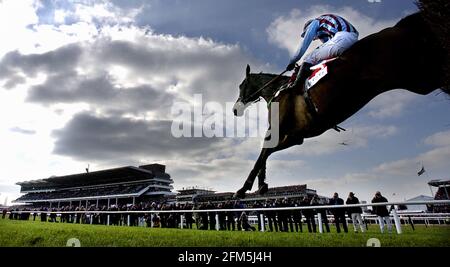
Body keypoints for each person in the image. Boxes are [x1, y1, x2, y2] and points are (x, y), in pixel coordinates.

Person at [286, 14, 359, 94]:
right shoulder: (326, 29)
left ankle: (296, 88)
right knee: (317, 59)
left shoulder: (315, 23)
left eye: (306, 33)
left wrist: (292, 61)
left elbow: (304, 45)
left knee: (308, 58)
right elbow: (325, 52)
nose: (314, 39)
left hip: (342, 38)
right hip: (353, 39)